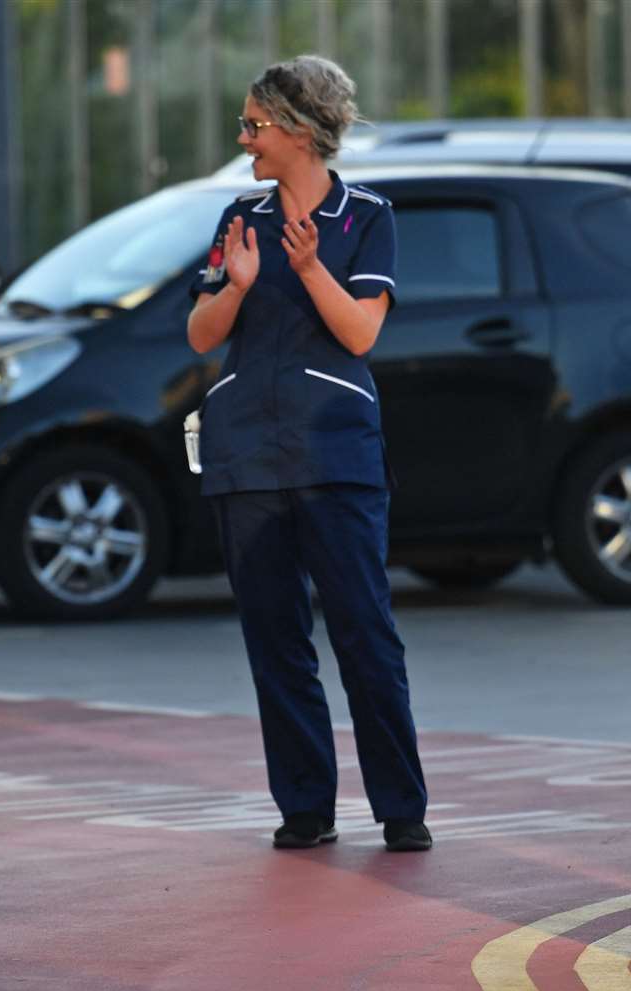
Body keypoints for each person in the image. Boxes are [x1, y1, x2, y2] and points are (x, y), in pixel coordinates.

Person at [186, 56, 430, 853]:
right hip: (246, 457)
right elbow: (200, 334)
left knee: (364, 631)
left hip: (337, 457)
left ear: (297, 130)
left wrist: (307, 269)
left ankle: (400, 808)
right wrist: (237, 286)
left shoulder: (368, 215)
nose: (243, 137)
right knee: (274, 637)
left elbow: (360, 331)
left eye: (254, 125)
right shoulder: (239, 217)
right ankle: (304, 806)